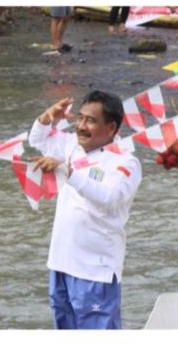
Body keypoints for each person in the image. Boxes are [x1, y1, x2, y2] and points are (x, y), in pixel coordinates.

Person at [28, 91, 142, 329]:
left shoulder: (126, 162)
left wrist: (68, 173)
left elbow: (109, 198)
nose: (81, 126)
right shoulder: (72, 145)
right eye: (80, 118)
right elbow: (36, 140)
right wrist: (49, 116)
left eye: (90, 120)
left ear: (111, 128)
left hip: (95, 271)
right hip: (60, 263)